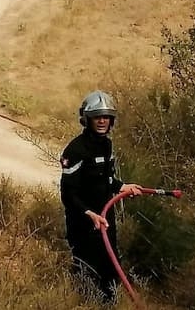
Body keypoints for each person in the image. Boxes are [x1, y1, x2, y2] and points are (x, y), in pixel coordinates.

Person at [60, 90, 143, 303]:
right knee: (87, 272)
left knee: (109, 270)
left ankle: (109, 304)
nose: (102, 121)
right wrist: (90, 215)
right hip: (84, 224)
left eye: (106, 117)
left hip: (106, 221)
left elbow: (106, 179)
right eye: (97, 117)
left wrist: (123, 186)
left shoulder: (106, 145)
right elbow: (68, 193)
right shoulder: (75, 150)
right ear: (87, 119)